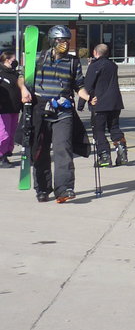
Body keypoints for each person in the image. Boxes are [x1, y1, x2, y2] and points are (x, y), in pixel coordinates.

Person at [18, 25, 90, 203]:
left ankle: (64, 189)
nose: (64, 44)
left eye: (66, 40)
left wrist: (89, 97)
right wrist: (23, 90)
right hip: (40, 108)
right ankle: (42, 188)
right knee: (40, 150)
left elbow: (79, 86)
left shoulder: (73, 62)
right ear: (52, 41)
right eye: (60, 40)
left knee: (63, 149)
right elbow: (22, 77)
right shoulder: (37, 58)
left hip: (63, 110)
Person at [84, 43, 127, 167]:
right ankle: (122, 152)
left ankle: (104, 156)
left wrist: (81, 103)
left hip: (99, 103)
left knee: (99, 130)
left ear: (95, 52)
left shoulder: (95, 66)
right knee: (114, 127)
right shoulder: (113, 65)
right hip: (115, 102)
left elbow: (88, 84)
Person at [0, 49, 21, 166]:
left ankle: (7, 152)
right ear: (6, 60)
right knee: (4, 133)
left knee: (12, 133)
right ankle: (1, 155)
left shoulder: (15, 74)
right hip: (3, 109)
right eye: (13, 60)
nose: (15, 62)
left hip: (14, 108)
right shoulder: (0, 73)